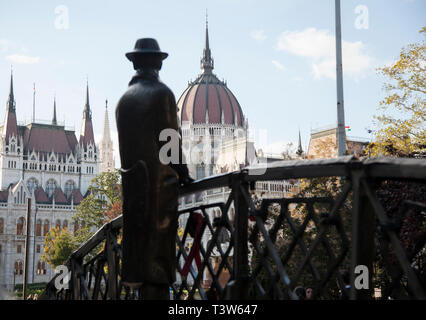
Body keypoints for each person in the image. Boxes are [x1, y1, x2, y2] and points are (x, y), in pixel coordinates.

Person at [116, 38, 192, 300]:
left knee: (138, 255)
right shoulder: (162, 94)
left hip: (133, 191)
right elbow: (170, 143)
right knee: (158, 263)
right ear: (159, 63)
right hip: (159, 191)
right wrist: (185, 174)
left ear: (134, 63)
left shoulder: (123, 101)